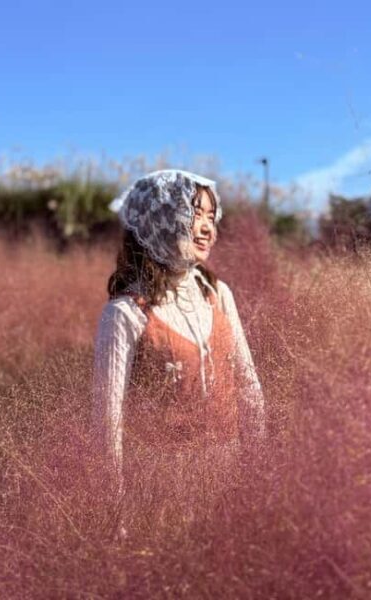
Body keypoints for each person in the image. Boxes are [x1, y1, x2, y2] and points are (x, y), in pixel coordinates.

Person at [92, 170, 265, 525]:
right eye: (193, 214)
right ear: (162, 221)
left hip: (229, 481)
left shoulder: (218, 294)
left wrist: (257, 474)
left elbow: (249, 388)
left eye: (210, 215)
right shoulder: (125, 313)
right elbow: (107, 424)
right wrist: (116, 511)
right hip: (160, 492)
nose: (207, 227)